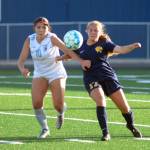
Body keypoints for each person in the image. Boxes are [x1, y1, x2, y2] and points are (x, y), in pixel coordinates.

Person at [56, 20, 142, 141]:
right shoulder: (81, 44)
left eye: (95, 30)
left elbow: (121, 49)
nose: (92, 32)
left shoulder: (104, 43)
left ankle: (130, 125)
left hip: (108, 77)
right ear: (86, 31)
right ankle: (105, 133)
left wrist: (132, 46)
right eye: (90, 30)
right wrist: (60, 58)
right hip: (91, 78)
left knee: (125, 108)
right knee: (100, 100)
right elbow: (71, 54)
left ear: (100, 32)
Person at [17, 17, 91, 139]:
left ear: (48, 28)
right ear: (34, 28)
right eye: (38, 27)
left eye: (44, 27)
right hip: (40, 74)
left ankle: (61, 112)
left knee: (58, 105)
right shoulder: (29, 40)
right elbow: (20, 61)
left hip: (56, 73)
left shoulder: (52, 38)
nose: (41, 29)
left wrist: (81, 61)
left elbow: (68, 51)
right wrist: (22, 69)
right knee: (36, 103)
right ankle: (44, 129)